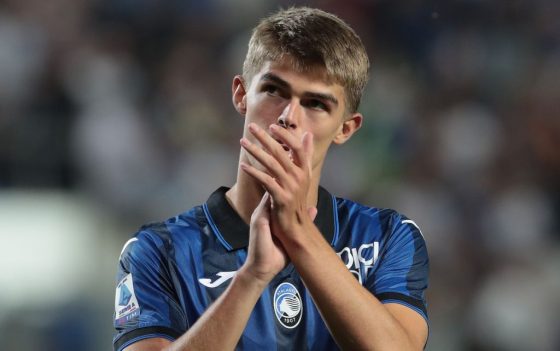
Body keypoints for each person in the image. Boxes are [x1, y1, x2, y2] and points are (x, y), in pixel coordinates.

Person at [113, 7, 429, 351]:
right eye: (275, 91)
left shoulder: (386, 237)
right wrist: (251, 277)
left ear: (346, 128)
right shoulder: (159, 250)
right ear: (241, 94)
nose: (288, 117)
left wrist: (298, 235)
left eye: (316, 104)